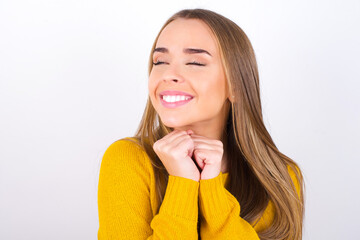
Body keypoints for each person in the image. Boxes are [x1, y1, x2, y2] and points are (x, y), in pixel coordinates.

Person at [97, 8, 304, 240]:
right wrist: (182, 183)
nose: (169, 74)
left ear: (236, 86)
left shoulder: (278, 177)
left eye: (195, 62)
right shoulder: (127, 160)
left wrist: (212, 192)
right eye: (160, 61)